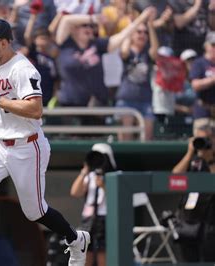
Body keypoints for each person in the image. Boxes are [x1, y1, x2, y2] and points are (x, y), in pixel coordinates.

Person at [0, 18, 90, 266]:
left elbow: (35, 109)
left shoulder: (23, 68)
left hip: (27, 145)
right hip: (0, 143)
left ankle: (75, 238)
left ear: (4, 42)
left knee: (35, 212)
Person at [55, 7, 157, 109]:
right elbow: (66, 20)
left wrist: (142, 18)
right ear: (73, 30)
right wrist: (92, 19)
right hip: (70, 104)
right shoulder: (65, 44)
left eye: (91, 27)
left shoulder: (97, 44)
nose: (89, 29)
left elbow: (122, 35)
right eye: (84, 26)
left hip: (95, 105)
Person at [172, 125, 215, 262]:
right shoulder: (194, 160)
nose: (203, 142)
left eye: (206, 139)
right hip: (189, 221)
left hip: (210, 221)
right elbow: (175, 177)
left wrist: (210, 160)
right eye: (199, 139)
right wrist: (190, 152)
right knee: (189, 259)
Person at [69, 143, 117, 266]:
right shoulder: (89, 176)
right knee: (85, 253)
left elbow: (117, 197)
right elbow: (75, 192)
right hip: (88, 220)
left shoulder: (114, 176)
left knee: (103, 254)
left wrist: (104, 186)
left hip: (105, 218)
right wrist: (84, 171)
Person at [116, 12, 159, 141]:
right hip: (127, 97)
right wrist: (132, 26)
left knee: (147, 138)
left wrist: (150, 26)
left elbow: (155, 52)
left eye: (145, 32)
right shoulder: (128, 52)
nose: (142, 35)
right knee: (126, 137)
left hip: (145, 98)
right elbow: (123, 51)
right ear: (133, 34)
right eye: (139, 32)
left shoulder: (147, 53)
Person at [189, 31, 215, 133]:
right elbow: (195, 85)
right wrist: (212, 80)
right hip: (203, 111)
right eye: (213, 45)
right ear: (206, 46)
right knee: (203, 145)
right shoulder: (199, 63)